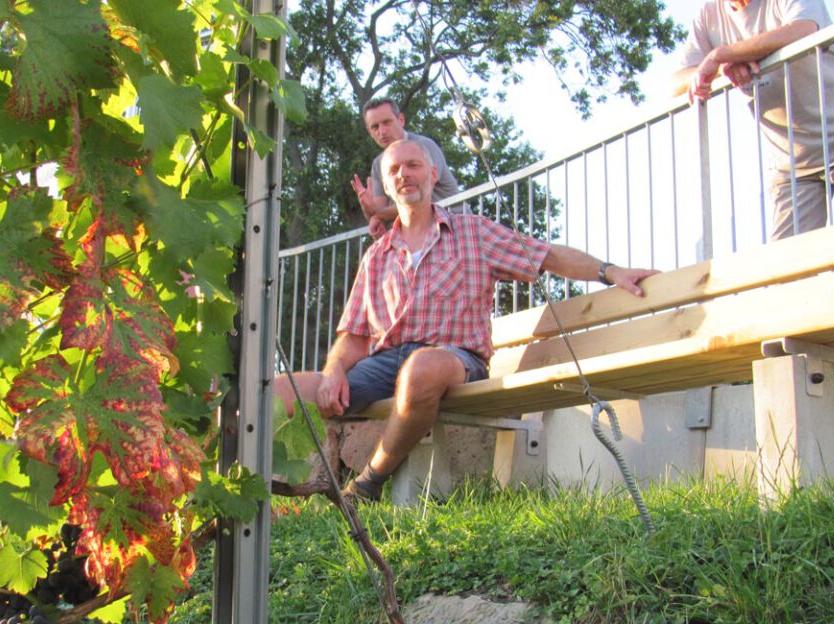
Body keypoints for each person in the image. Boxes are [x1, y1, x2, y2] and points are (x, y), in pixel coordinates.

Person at [278, 139, 659, 504]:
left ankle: (367, 482)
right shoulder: (377, 255)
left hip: (455, 360)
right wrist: (334, 372)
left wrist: (609, 271)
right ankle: (260, 488)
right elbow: (353, 335)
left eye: (413, 165)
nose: (404, 174)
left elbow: (545, 256)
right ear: (387, 187)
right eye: (394, 170)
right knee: (281, 390)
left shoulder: (473, 232)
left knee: (422, 367)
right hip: (383, 365)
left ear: (432, 174)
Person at [672, 0, 834, 240]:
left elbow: (803, 29)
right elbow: (676, 82)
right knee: (786, 261)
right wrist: (722, 66)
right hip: (793, 165)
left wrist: (721, 54)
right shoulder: (707, 17)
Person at [351, 97, 461, 239]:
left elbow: (415, 201)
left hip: (454, 228)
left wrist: (377, 214)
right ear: (369, 131)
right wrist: (368, 208)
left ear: (401, 120)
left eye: (387, 122)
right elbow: (379, 211)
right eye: (375, 127)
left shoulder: (423, 147)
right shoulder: (378, 164)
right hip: (416, 238)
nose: (382, 131)